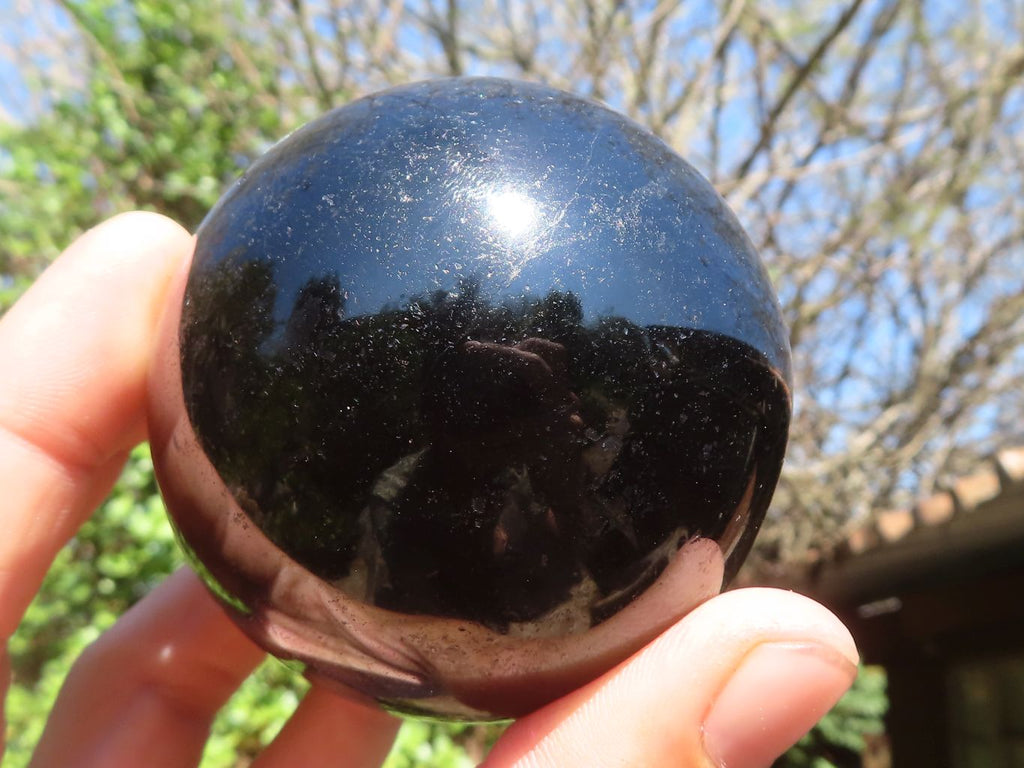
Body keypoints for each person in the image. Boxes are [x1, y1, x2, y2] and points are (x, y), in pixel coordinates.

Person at [0, 212, 858, 767]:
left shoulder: (576, 472)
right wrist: (461, 467)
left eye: (521, 388)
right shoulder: (397, 495)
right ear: (439, 400)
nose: (498, 405)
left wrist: (557, 465)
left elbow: (586, 590)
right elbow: (402, 586)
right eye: (479, 389)